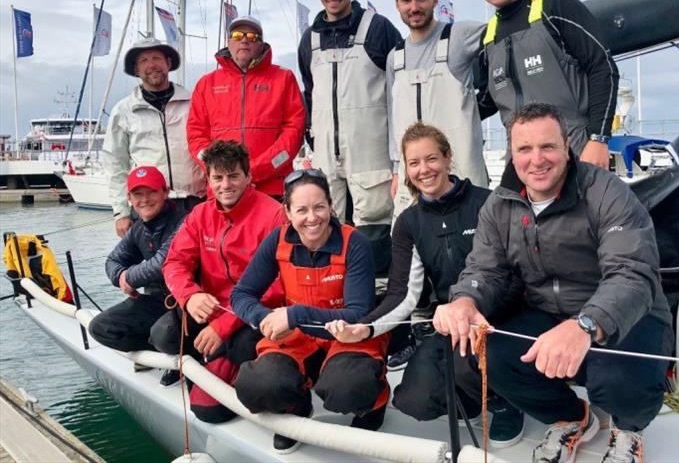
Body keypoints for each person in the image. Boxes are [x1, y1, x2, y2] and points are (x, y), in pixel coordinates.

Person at [434, 103, 673, 463]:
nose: (537, 159)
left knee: (618, 377)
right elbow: (485, 269)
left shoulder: (607, 193)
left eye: (547, 146)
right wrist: (466, 300)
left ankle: (628, 429)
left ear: (567, 147)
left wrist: (586, 325)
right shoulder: (500, 206)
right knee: (494, 356)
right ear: (512, 156)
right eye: (524, 149)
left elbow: (631, 272)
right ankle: (572, 417)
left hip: (627, 314)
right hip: (549, 311)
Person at [327, 122, 525, 448]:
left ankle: (507, 398)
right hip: (450, 320)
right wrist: (364, 328)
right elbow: (401, 294)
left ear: (448, 158)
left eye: (431, 159)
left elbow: (517, 271)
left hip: (500, 317)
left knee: (471, 363)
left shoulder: (488, 204)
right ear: (406, 169)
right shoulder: (408, 223)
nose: (424, 170)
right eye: (414, 163)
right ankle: (474, 396)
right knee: (415, 401)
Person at [232, 169, 389, 454]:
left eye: (319, 207)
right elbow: (241, 295)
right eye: (301, 210)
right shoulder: (276, 242)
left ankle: (374, 404)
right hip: (297, 339)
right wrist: (264, 318)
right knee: (257, 385)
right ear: (287, 212)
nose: (312, 217)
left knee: (349, 387)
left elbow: (358, 312)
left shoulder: (355, 244)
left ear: (331, 205)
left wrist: (294, 315)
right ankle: (297, 404)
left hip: (347, 335)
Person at [386, 0, 555, 215]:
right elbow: (393, 118)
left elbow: (508, 26)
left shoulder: (459, 36)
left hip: (462, 175)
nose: (414, 7)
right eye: (406, 0)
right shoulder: (394, 58)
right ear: (397, 5)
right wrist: (395, 168)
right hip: (413, 177)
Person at [153, 140, 285, 423]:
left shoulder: (273, 214)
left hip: (250, 316)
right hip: (210, 306)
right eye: (218, 177)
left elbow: (278, 284)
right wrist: (190, 296)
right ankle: (204, 360)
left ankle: (231, 366)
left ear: (248, 177)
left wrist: (224, 326)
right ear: (208, 180)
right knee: (163, 334)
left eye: (233, 175)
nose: (226, 184)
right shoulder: (200, 214)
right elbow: (174, 263)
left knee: (208, 410)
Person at [468, 0, 619, 169]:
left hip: (574, 151)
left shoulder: (553, 4)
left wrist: (599, 138)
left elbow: (601, 65)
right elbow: (488, 99)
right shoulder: (488, 37)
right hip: (522, 161)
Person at [298, 0, 402, 275]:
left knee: (374, 226)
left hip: (370, 155)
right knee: (325, 225)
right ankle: (331, 294)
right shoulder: (310, 40)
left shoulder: (378, 29)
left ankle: (379, 298)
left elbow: (398, 88)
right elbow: (310, 93)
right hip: (327, 157)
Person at [187, 15, 305, 201]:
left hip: (271, 189)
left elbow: (293, 132)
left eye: (252, 36)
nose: (244, 39)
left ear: (260, 44)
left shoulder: (284, 78)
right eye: (237, 34)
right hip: (222, 192)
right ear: (228, 41)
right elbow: (196, 135)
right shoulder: (206, 84)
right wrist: (223, 172)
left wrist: (254, 170)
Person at [89, 166, 185, 385]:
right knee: (100, 328)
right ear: (129, 198)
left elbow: (164, 261)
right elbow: (112, 261)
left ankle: (184, 356)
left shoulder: (183, 221)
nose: (145, 200)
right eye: (138, 194)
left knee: (165, 332)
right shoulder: (138, 229)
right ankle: (164, 355)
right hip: (158, 300)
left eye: (151, 192)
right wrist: (121, 275)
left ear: (165, 192)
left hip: (186, 301)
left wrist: (129, 278)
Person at [103, 37, 205, 238]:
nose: (151, 65)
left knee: (200, 267)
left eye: (157, 58)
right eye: (144, 60)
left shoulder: (194, 102)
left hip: (195, 203)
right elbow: (116, 164)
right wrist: (121, 213)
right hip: (149, 207)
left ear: (168, 63)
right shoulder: (123, 110)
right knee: (154, 268)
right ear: (136, 70)